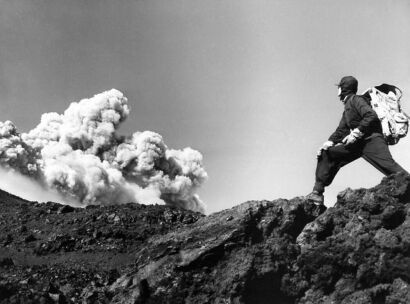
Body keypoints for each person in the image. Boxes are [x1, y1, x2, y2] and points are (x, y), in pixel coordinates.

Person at [306, 76, 408, 205]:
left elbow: (371, 116)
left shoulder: (356, 100)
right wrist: (329, 143)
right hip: (358, 144)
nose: (337, 92)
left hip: (373, 141)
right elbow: (341, 130)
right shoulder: (348, 106)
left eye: (339, 87)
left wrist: (357, 132)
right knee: (327, 153)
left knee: (391, 168)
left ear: (343, 88)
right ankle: (317, 193)